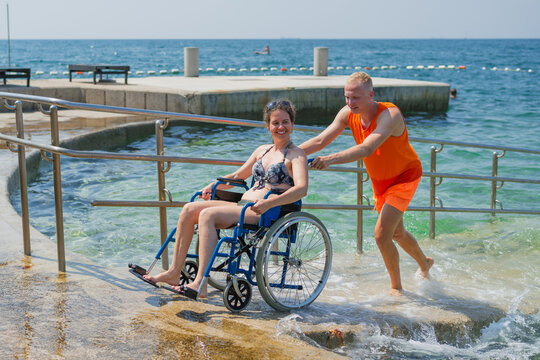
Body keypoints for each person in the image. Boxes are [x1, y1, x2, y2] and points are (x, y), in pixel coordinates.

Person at [144, 100, 308, 299]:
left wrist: (270, 202)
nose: (281, 127)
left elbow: (301, 189)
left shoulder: (296, 154)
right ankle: (173, 272)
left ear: (292, 124)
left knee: (207, 215)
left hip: (265, 211)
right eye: (275, 123)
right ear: (267, 126)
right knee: (189, 208)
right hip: (243, 204)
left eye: (285, 122)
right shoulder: (262, 150)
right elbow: (239, 176)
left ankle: (200, 283)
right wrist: (214, 185)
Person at [300, 72, 433, 295]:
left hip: (405, 177)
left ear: (371, 95)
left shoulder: (389, 114)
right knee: (397, 233)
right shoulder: (347, 113)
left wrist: (330, 160)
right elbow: (320, 140)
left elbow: (367, 148)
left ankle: (397, 289)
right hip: (381, 181)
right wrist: (286, 153)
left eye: (356, 98)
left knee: (382, 236)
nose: (350, 103)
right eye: (347, 97)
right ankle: (425, 263)